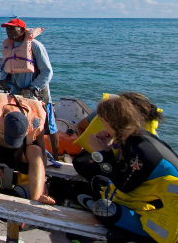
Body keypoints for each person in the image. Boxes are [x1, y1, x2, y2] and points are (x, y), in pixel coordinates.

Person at [76, 96, 178, 243]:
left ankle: (134, 236)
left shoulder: (143, 150)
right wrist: (108, 148)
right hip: (151, 200)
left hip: (167, 221)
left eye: (103, 121)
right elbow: (121, 172)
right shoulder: (136, 137)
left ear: (111, 121)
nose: (102, 126)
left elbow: (124, 186)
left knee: (103, 209)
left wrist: (101, 153)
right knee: (99, 181)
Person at [0, 91, 55, 204]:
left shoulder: (35, 120)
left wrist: (43, 179)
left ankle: (37, 196)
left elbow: (42, 149)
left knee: (35, 150)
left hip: (19, 153)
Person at [0, 18, 59, 159]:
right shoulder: (9, 47)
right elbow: (6, 68)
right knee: (22, 123)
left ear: (22, 30)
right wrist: (0, 82)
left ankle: (56, 156)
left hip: (38, 93)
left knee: (49, 127)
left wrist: (33, 87)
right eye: (7, 29)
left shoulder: (35, 46)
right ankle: (23, 153)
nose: (8, 31)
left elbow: (47, 71)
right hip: (18, 94)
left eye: (12, 28)